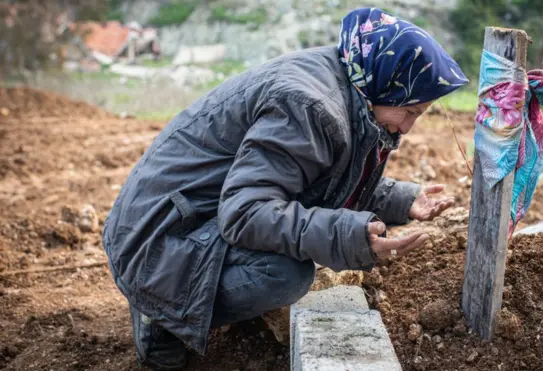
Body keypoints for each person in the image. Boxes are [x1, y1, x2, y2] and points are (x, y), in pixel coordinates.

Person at [102, 7, 468, 370]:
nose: (406, 129)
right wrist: (350, 236)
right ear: (387, 83)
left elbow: (323, 176)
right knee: (283, 275)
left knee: (288, 248)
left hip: (187, 214)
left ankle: (191, 292)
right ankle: (160, 312)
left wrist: (402, 200)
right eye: (410, 112)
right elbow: (245, 213)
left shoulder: (351, 82)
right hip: (156, 236)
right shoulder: (309, 106)